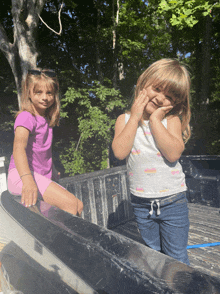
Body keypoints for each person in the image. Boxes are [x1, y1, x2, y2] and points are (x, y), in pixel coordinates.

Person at [112, 58, 191, 265]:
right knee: (152, 253)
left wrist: (155, 120)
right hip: (141, 204)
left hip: (173, 202)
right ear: (143, 83)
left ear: (175, 103)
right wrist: (135, 116)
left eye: (169, 96)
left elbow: (173, 153)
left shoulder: (171, 121)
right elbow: (120, 152)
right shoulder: (124, 120)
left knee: (176, 257)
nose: (160, 98)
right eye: (157, 89)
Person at [7, 69, 83, 216]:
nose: (45, 97)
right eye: (38, 92)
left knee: (79, 206)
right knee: (71, 205)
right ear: (28, 93)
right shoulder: (26, 117)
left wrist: (52, 169)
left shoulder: (46, 119)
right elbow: (18, 149)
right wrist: (28, 180)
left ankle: (58, 237)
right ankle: (60, 239)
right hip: (22, 176)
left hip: (39, 176)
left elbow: (43, 149)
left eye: (49, 93)